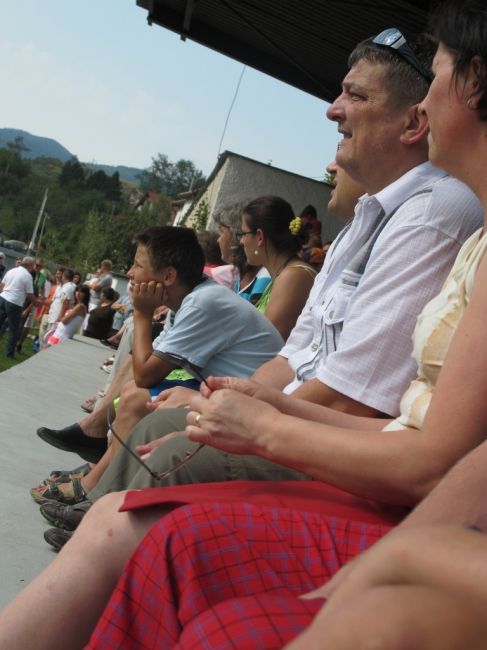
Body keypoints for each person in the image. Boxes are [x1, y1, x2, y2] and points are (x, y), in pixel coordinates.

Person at [35, 27, 484, 543]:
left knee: (164, 429)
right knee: (158, 416)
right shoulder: (367, 218)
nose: (332, 110)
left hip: (341, 446)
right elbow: (292, 357)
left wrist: (251, 418)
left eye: (356, 96)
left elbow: (354, 400)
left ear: (414, 121)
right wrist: (229, 404)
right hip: (313, 421)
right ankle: (103, 516)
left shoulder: (433, 213)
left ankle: (106, 528)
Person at [34, 226, 283, 500]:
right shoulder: (192, 297)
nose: (130, 273)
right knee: (132, 393)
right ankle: (98, 477)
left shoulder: (202, 303)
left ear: (168, 276)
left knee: (136, 398)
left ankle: (97, 489)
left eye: (138, 265)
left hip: (253, 407)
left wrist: (142, 313)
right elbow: (148, 364)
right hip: (228, 393)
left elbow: (146, 375)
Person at [239, 195, 316, 341]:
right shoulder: (283, 273)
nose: (241, 241)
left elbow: (265, 343)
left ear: (260, 237)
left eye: (243, 234)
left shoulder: (293, 276)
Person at [0, 256, 35, 358]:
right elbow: (29, 294)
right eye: (33, 266)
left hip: (3, 298)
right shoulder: (27, 276)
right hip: (14, 302)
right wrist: (36, 301)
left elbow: (2, 285)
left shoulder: (11, 271)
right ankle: (10, 353)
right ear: (30, 265)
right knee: (14, 329)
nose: (33, 268)